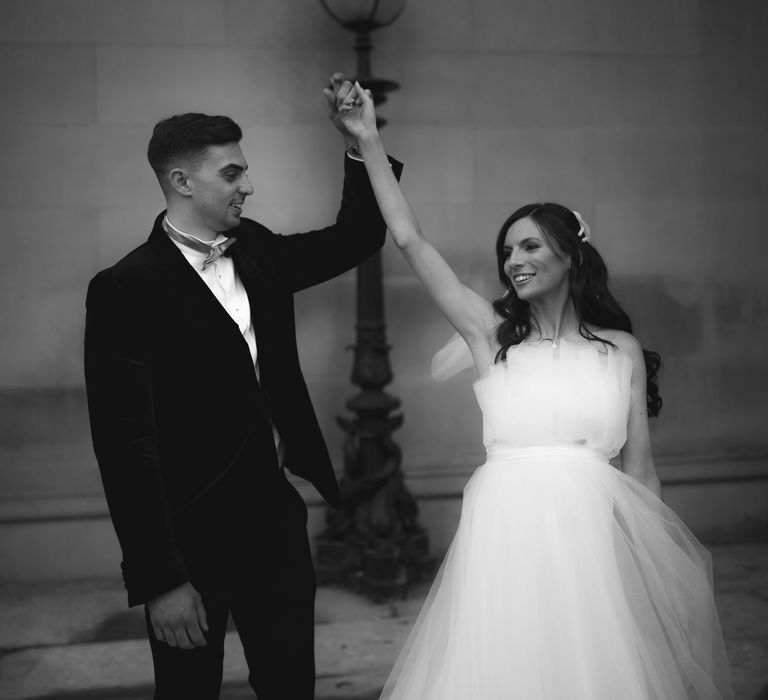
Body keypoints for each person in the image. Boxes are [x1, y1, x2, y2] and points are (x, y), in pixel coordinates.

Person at [338, 84, 733, 699]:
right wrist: (368, 139)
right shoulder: (488, 337)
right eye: (506, 252)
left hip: (589, 536)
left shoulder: (618, 350)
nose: (513, 261)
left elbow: (642, 472)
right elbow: (411, 241)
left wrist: (654, 566)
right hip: (505, 526)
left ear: (571, 255)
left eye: (528, 246)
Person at [83, 74, 402, 700]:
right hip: (189, 542)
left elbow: (357, 239)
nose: (248, 185)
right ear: (182, 182)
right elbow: (124, 448)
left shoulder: (253, 248)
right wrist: (159, 581)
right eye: (231, 173)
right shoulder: (125, 288)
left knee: (290, 689)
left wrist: (360, 142)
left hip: (276, 525)